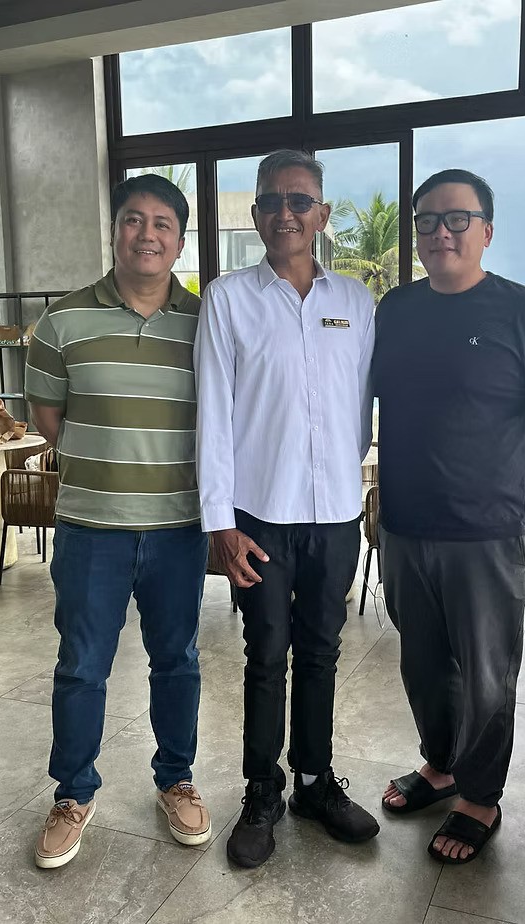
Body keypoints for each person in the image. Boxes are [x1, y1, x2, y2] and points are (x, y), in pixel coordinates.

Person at [373, 168, 525, 865]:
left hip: (487, 530)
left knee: (488, 671)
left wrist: (499, 470)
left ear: (486, 230)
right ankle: (440, 766)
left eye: (457, 219)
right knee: (423, 661)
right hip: (404, 523)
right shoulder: (396, 310)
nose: (441, 232)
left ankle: (480, 797)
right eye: (427, 221)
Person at [195, 149, 379, 869]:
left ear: (322, 215)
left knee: (323, 650)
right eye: (271, 201)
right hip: (260, 513)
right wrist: (220, 521)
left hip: (334, 512)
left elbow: (364, 404)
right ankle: (261, 790)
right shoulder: (227, 299)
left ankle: (314, 782)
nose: (285, 213)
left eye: (300, 201)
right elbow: (214, 415)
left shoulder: (355, 301)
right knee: (267, 653)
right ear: (255, 214)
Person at [25, 173, 210, 869]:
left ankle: (176, 780)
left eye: (163, 223)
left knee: (177, 661)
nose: (147, 234)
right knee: (81, 667)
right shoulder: (62, 322)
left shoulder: (206, 323)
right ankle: (73, 794)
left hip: (177, 527)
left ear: (181, 241)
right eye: (134, 219)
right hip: (89, 527)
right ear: (115, 230)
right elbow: (51, 421)